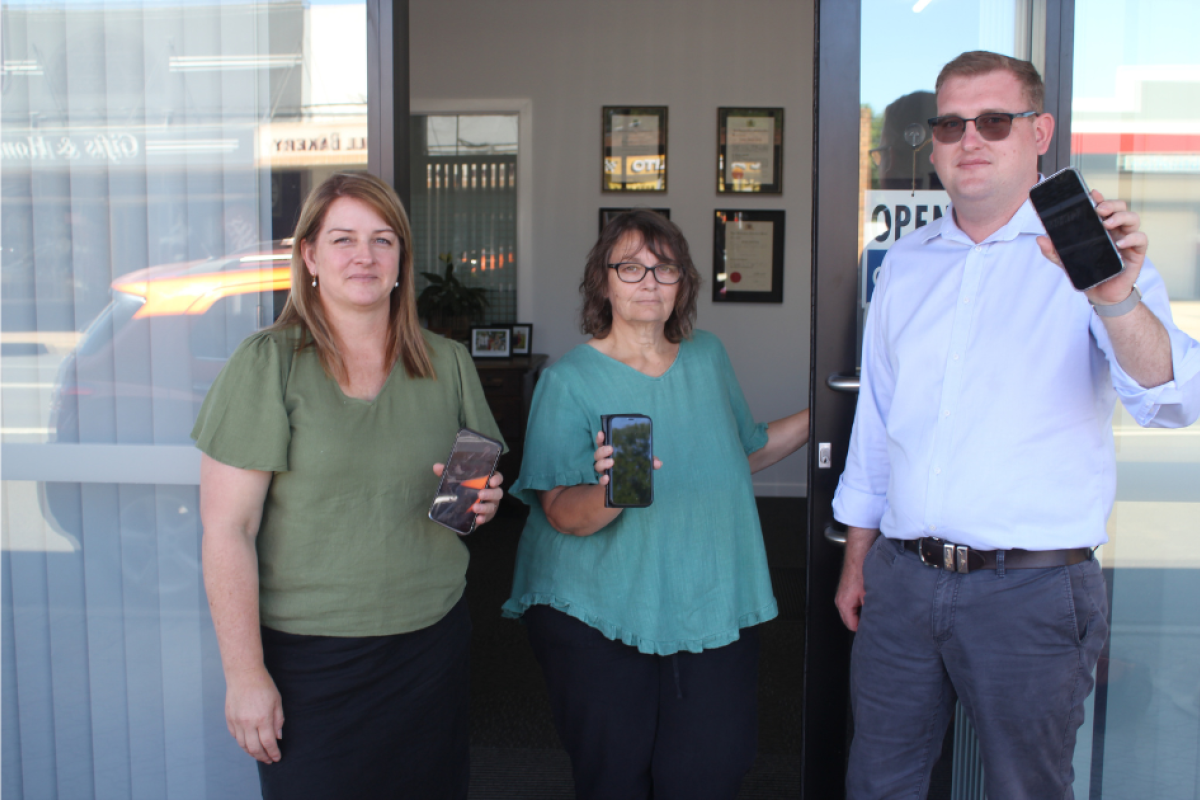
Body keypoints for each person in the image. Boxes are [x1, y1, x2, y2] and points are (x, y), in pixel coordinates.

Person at [833, 51, 1200, 799]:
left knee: (1023, 789)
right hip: (902, 581)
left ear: (1040, 133)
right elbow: (878, 421)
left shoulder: (1094, 257)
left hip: (1030, 592)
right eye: (950, 124)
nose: (970, 139)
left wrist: (1114, 297)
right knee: (879, 782)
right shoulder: (904, 263)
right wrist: (857, 555)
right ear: (932, 143)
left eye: (994, 121)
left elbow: (1170, 401)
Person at [194, 172, 505, 799]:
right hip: (312, 660)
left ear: (400, 260)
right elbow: (228, 530)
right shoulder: (268, 364)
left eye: (382, 240)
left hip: (429, 646)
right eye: (343, 239)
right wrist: (244, 673)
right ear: (309, 255)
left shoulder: (446, 364)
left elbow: (461, 511)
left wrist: (476, 505)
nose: (364, 256)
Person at [502, 210, 810, 800]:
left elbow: (739, 453)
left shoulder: (708, 355)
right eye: (631, 267)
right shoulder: (568, 381)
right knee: (617, 776)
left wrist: (829, 412)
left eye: (664, 268)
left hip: (709, 594)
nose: (649, 280)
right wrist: (619, 491)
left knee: (709, 771)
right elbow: (563, 512)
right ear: (604, 282)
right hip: (599, 608)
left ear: (684, 284)